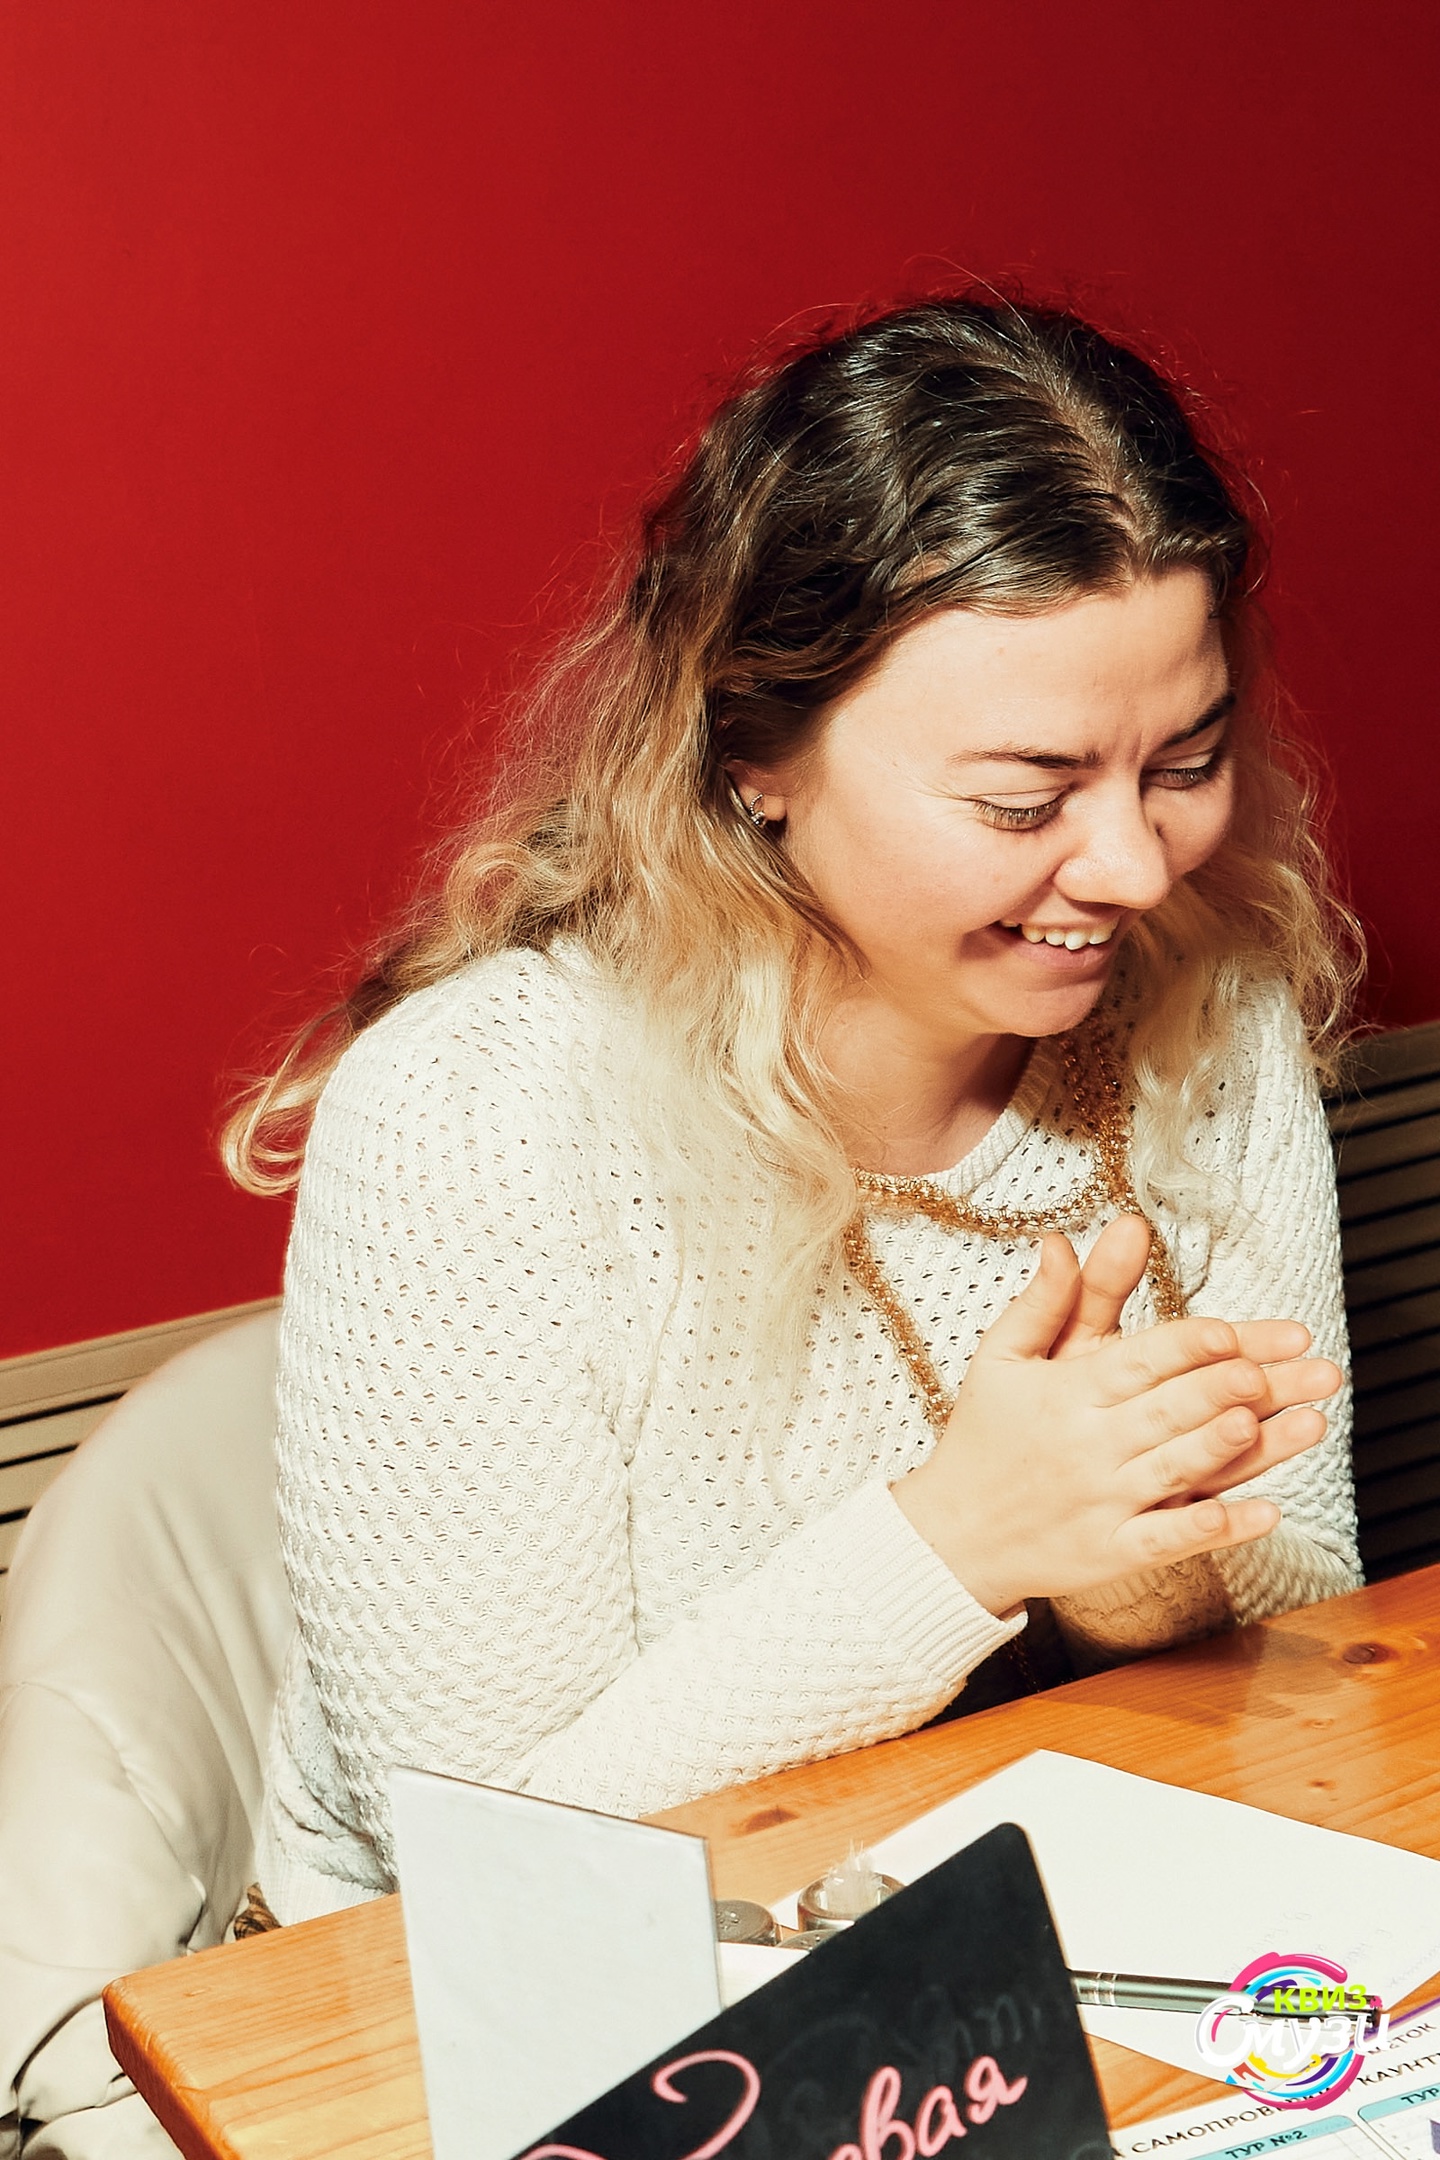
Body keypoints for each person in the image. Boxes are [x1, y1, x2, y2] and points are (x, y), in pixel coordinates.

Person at [226, 295, 1361, 1926]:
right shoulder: (478, 1119)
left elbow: (1314, 1631)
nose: (1133, 867)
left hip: (985, 1927)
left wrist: (1137, 1563)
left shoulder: (1212, 1011)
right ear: (755, 749)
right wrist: (964, 1541)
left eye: (1185, 758)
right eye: (1022, 799)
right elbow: (475, 1861)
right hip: (463, 2003)